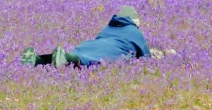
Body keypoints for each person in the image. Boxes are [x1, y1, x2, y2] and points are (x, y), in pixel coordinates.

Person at [21, 6, 150, 68]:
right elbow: (146, 58)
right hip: (112, 51)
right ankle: (63, 56)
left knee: (79, 55)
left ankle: (37, 59)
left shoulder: (108, 27)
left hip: (90, 45)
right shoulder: (135, 32)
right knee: (87, 61)